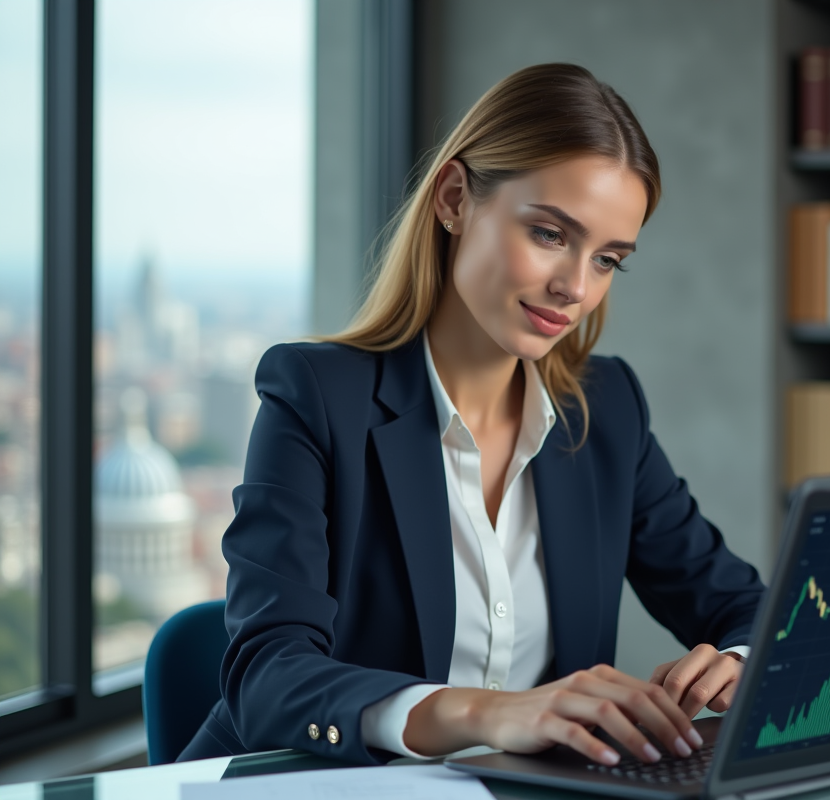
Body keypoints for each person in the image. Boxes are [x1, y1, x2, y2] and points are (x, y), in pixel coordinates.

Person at [179, 63, 765, 768]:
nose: (575, 286)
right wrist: (488, 714)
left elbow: (747, 606)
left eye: (608, 259)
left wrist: (739, 659)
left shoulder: (606, 415)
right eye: (550, 233)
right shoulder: (316, 396)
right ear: (455, 198)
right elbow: (267, 678)